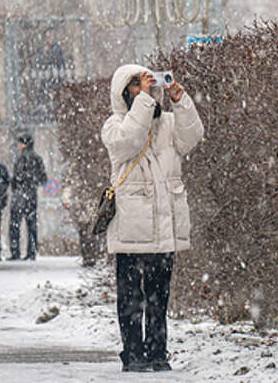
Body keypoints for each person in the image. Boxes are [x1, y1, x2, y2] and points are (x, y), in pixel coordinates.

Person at [101, 65, 204, 372]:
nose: (141, 89)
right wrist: (145, 101)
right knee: (131, 297)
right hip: (132, 227)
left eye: (144, 83)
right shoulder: (114, 125)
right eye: (134, 85)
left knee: (159, 297)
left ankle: (158, 352)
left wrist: (180, 99)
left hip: (164, 225)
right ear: (123, 92)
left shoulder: (167, 124)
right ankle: (133, 354)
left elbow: (193, 137)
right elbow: (128, 143)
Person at [9, 134, 47, 260]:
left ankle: (15, 252)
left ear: (24, 144)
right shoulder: (37, 158)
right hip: (31, 195)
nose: (18, 146)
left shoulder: (21, 159)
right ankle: (32, 251)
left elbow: (17, 177)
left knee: (15, 224)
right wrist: (33, 182)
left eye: (20, 143)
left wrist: (17, 183)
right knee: (31, 224)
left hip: (20, 195)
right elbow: (43, 178)